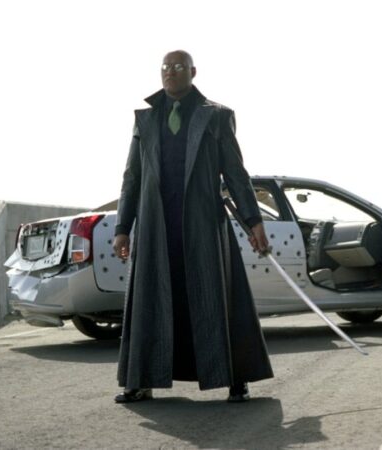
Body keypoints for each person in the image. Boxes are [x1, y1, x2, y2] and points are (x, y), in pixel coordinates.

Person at [112, 50, 273, 403]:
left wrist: (254, 221)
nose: (170, 72)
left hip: (203, 224)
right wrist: (123, 227)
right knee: (152, 301)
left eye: (178, 67)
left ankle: (236, 378)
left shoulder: (217, 116)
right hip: (156, 227)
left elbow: (236, 173)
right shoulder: (145, 119)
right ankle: (140, 381)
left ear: (193, 72)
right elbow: (131, 177)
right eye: (165, 67)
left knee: (216, 297)